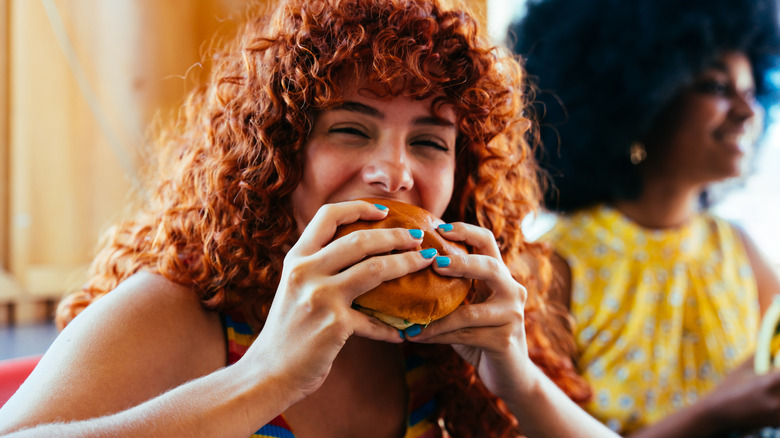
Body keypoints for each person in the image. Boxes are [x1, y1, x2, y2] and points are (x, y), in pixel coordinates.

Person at [0, 0, 619, 436]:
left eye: (430, 142)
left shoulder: (445, 335)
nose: (394, 171)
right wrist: (267, 377)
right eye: (351, 130)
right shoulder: (185, 308)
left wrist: (520, 383)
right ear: (280, 157)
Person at [510, 0, 780, 436]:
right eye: (716, 86)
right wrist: (717, 412)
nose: (747, 112)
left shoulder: (739, 250)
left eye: (751, 92)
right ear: (640, 97)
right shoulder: (553, 267)